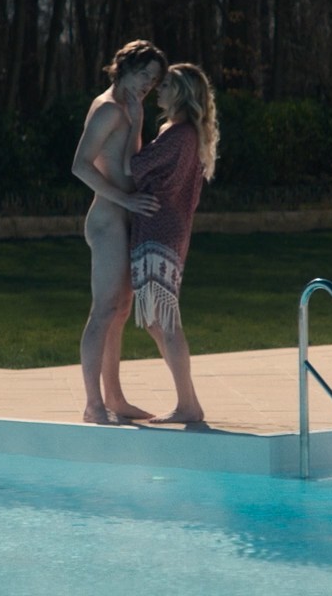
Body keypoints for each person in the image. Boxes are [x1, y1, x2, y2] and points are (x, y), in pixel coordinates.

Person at [72, 40, 167, 425]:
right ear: (124, 67)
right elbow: (80, 165)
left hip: (123, 217)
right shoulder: (109, 109)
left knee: (121, 310)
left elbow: (130, 166)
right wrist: (125, 200)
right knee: (104, 309)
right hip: (108, 219)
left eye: (154, 80)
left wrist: (139, 121)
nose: (147, 84)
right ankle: (93, 404)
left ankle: (114, 398)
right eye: (144, 74)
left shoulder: (128, 109)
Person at [128, 63, 219, 424]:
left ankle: (188, 404)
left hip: (161, 230)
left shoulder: (179, 135)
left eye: (166, 85)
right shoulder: (181, 133)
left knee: (165, 321)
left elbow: (135, 167)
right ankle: (188, 400)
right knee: (156, 321)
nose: (158, 89)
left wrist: (133, 122)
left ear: (181, 94)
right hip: (162, 228)